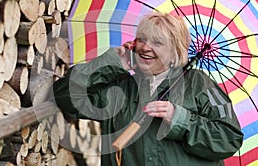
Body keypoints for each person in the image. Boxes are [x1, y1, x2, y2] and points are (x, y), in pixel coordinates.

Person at [53, 12, 243, 166]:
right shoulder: (121, 86)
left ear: (175, 52)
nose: (145, 47)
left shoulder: (198, 83)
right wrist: (111, 63)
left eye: (157, 43)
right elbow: (65, 96)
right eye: (142, 39)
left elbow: (229, 139)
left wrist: (179, 119)